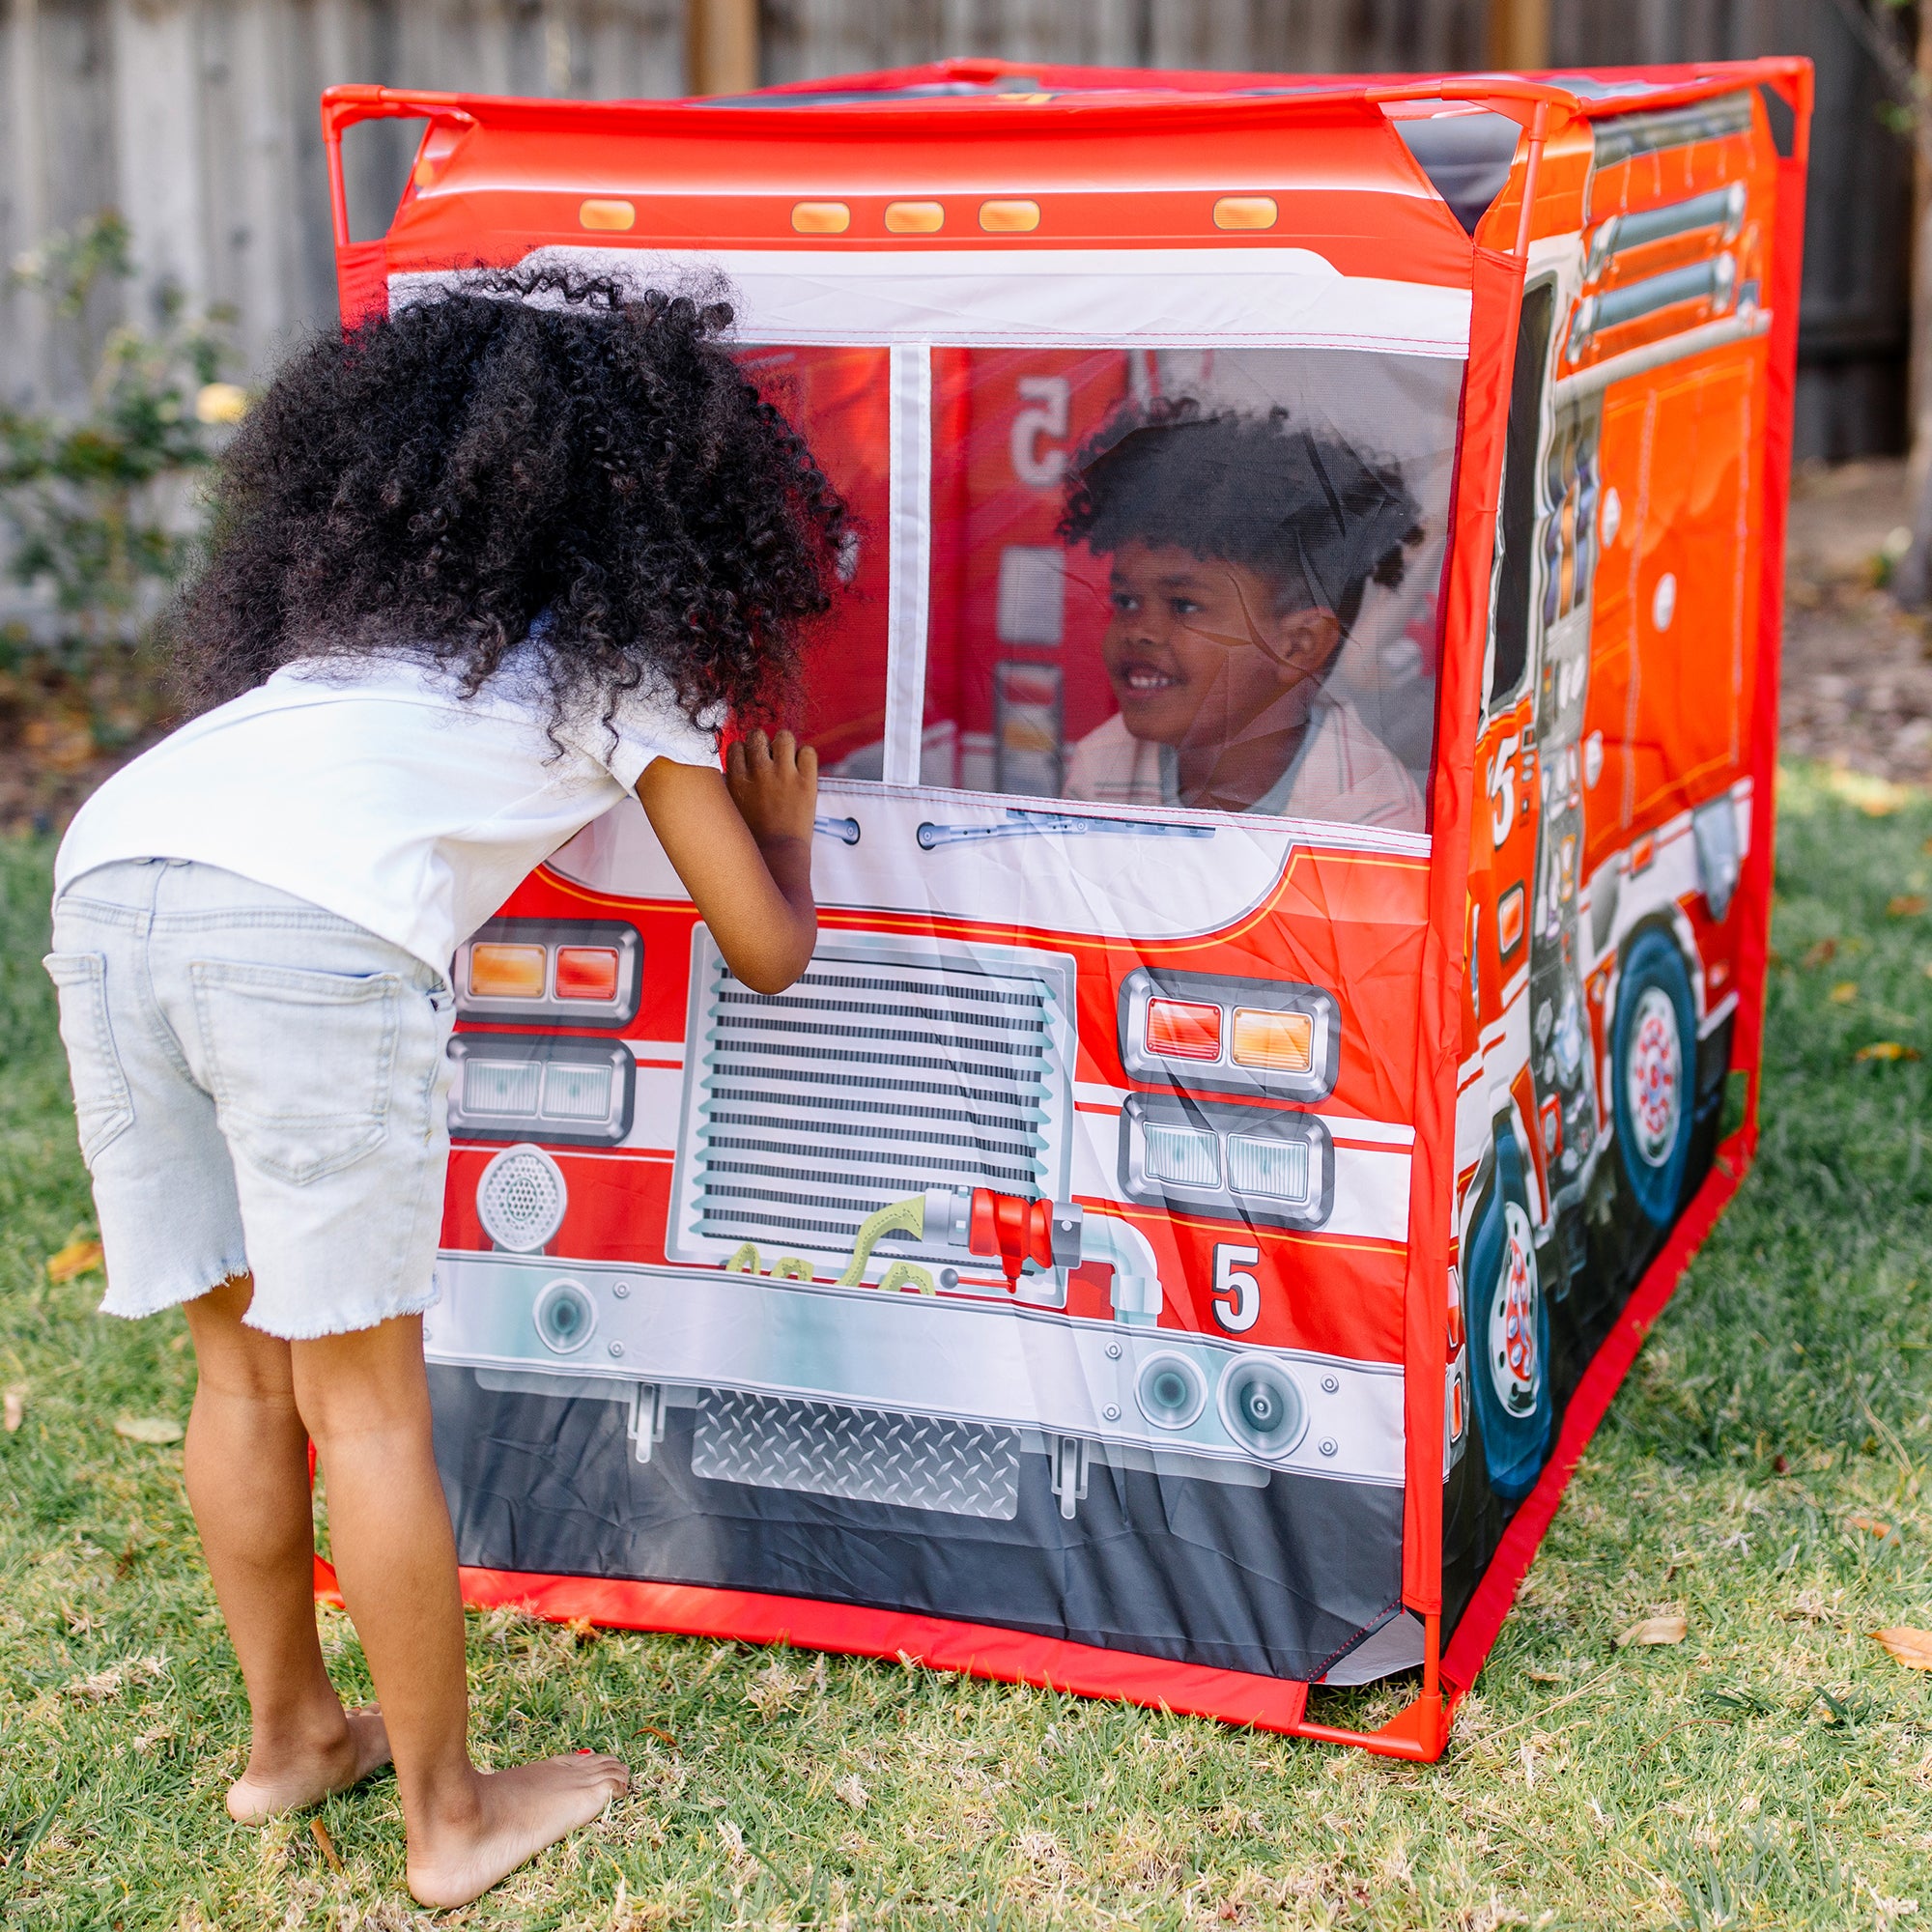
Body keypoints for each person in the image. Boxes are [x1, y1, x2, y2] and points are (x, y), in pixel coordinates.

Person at [43, 272, 839, 1908]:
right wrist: (789, 829)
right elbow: (763, 951)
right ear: (658, 505)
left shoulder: (332, 645)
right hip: (308, 931)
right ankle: (451, 1822)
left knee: (243, 1377)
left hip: (115, 863)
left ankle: (290, 1743)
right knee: (368, 1408)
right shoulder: (621, 678)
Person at [1058, 402, 1426, 827]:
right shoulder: (1100, 771)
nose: (1139, 630)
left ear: (1298, 646)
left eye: (1183, 605)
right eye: (1125, 601)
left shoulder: (1368, 813)